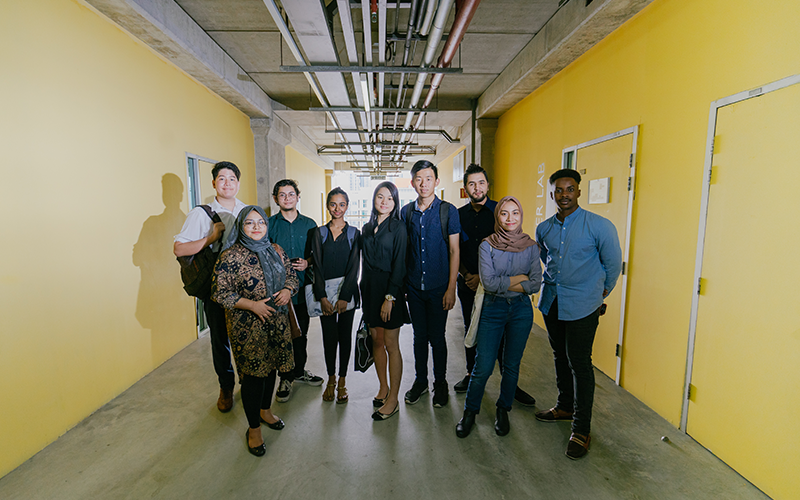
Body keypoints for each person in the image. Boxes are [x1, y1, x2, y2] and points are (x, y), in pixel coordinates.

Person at [535, 169, 622, 460]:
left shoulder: (600, 226)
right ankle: (564, 407)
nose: (564, 195)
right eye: (559, 190)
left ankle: (581, 429)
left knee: (580, 363)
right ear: (552, 194)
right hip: (552, 302)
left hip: (583, 305)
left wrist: (599, 294)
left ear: (579, 192)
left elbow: (613, 266)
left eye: (570, 189)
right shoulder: (544, 228)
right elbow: (546, 259)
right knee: (559, 355)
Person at [211, 206, 298, 457]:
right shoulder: (230, 256)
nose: (256, 227)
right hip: (247, 328)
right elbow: (219, 293)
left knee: (271, 369)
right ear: (241, 226)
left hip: (277, 323)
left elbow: (292, 276)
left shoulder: (276, 250)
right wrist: (252, 305)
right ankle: (254, 428)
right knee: (253, 376)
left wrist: (287, 290)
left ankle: (265, 410)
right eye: (250, 223)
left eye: (261, 222)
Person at [455, 197, 541, 438]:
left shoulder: (531, 247)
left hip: (521, 311)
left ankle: (503, 409)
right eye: (504, 213)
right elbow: (489, 284)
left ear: (521, 216)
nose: (510, 218)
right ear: (497, 216)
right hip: (492, 309)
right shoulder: (487, 245)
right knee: (483, 366)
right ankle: (470, 412)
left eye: (515, 213)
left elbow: (536, 283)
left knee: (511, 365)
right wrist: (520, 279)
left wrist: (506, 283)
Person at [173, 161, 247, 413]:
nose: (227, 183)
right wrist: (211, 238)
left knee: (245, 335)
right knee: (220, 339)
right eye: (222, 178)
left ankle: (247, 381)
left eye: (232, 179)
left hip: (244, 286)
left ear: (238, 183)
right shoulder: (201, 213)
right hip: (216, 287)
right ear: (214, 183)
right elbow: (179, 249)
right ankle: (226, 386)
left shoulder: (246, 210)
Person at [401, 160, 461, 408]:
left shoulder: (448, 211)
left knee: (437, 337)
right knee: (419, 337)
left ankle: (441, 383)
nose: (423, 183)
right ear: (412, 182)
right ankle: (420, 381)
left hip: (439, 287)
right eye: (419, 179)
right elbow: (404, 250)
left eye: (428, 178)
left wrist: (451, 288)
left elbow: (454, 251)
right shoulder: (406, 212)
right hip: (414, 287)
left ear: (436, 181)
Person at [268, 179, 323, 403]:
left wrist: (308, 262)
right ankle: (285, 377)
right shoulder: (269, 225)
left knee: (300, 334)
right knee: (282, 337)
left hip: (302, 290)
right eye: (282, 195)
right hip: (278, 293)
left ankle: (298, 371)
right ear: (276, 199)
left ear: (298, 197)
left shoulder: (310, 224)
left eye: (291, 194)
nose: (287, 198)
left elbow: (317, 254)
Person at [360, 181, 410, 420]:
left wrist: (390, 297)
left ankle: (393, 399)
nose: (384, 202)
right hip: (369, 289)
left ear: (395, 202)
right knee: (376, 341)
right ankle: (383, 388)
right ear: (374, 199)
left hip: (390, 290)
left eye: (390, 198)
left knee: (391, 344)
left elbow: (400, 265)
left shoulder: (398, 228)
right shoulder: (367, 228)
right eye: (380, 196)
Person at [307, 187, 361, 404]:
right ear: (327, 206)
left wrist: (345, 296)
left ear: (347, 206)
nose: (337, 208)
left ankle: (342, 381)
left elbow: (355, 267)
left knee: (345, 337)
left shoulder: (354, 233)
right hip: (326, 296)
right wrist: (322, 297)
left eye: (342, 204)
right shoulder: (319, 233)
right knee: (329, 338)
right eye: (333, 204)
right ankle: (330, 379)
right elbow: (317, 267)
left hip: (346, 294)